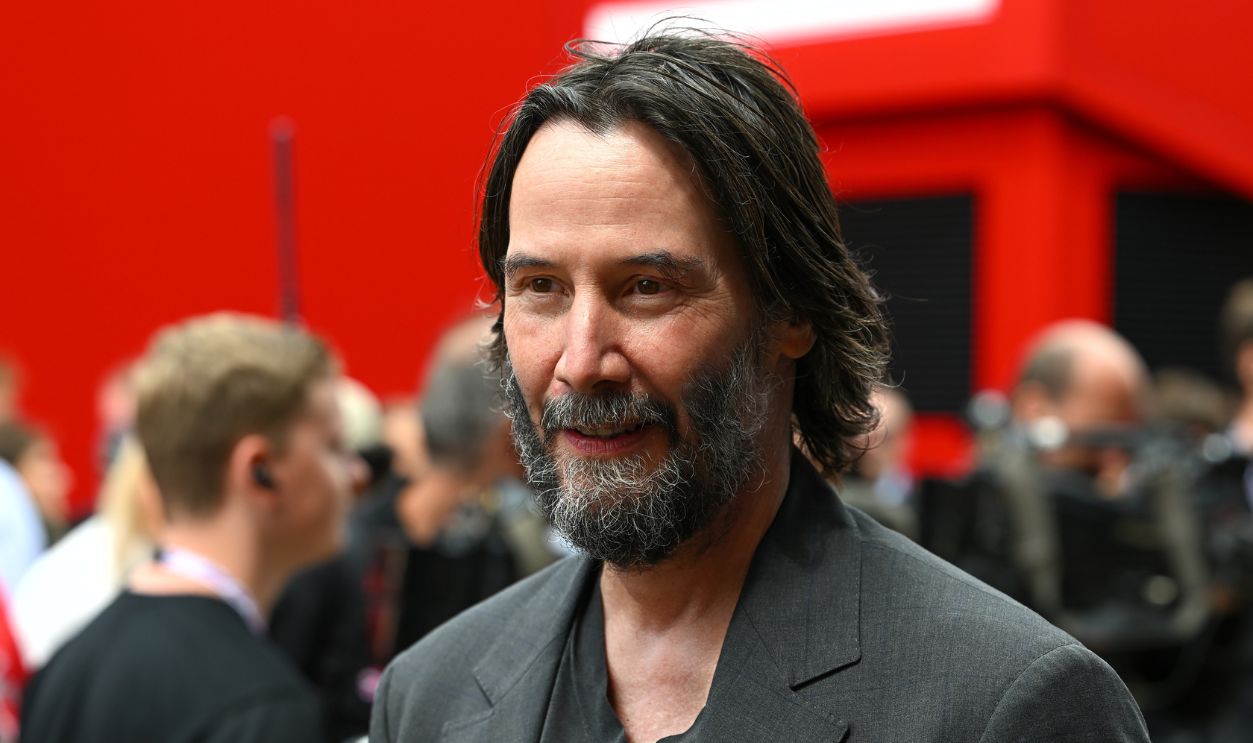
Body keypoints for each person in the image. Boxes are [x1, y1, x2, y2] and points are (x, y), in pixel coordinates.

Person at [371, 30, 1148, 742]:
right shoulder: (429, 693)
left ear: (790, 311)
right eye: (541, 287)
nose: (580, 359)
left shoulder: (1005, 704)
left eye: (645, 286)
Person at [21, 313, 359, 743]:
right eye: (333, 446)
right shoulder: (260, 706)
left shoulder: (67, 667)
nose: (355, 472)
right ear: (261, 470)